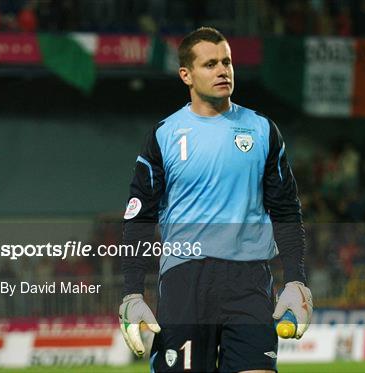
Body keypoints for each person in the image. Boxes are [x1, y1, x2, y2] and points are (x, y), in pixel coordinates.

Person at [119, 27, 313, 373]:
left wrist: (296, 280)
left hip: (250, 280)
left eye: (227, 61)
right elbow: (139, 220)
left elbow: (286, 211)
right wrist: (133, 293)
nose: (223, 70)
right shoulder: (164, 136)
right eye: (210, 64)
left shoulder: (262, 130)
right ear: (187, 75)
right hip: (185, 280)